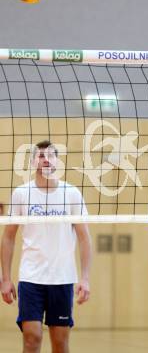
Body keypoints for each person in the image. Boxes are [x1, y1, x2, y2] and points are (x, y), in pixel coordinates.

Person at [1, 140, 92, 353]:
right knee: (32, 338)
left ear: (57, 162)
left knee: (60, 343)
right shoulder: (21, 193)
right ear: (33, 162)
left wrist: (85, 278)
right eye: (41, 156)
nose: (46, 159)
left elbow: (85, 238)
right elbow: (8, 237)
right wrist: (5, 279)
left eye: (51, 155)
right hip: (31, 278)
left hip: (62, 278)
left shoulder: (72, 194)